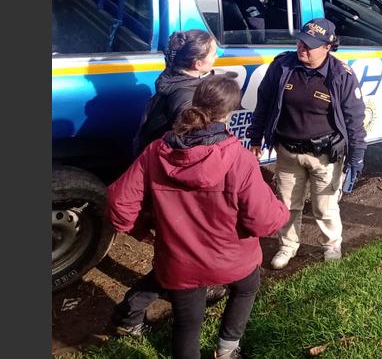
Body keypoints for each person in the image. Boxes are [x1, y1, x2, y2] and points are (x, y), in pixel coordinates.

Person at [108, 76, 289, 359]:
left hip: (181, 263)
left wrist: (139, 228)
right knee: (247, 287)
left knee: (187, 323)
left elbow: (119, 203)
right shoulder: (239, 159)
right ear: (229, 113)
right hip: (233, 259)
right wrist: (282, 210)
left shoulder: (156, 152)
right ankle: (227, 351)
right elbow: (263, 221)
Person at [113, 29, 224, 338]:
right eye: (213, 54)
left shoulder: (173, 78)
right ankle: (129, 314)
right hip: (173, 188)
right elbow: (186, 150)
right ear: (199, 62)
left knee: (185, 249)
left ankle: (204, 286)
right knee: (181, 252)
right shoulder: (187, 97)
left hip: (159, 182)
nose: (217, 57)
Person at [247, 18, 367, 270]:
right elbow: (264, 103)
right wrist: (255, 137)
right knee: (288, 204)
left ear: (328, 47)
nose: (302, 47)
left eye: (310, 45)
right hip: (287, 151)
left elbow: (354, 119)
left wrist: (357, 156)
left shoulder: (340, 76)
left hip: (325, 155)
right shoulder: (282, 66)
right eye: (301, 40)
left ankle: (331, 245)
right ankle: (288, 246)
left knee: (325, 206)